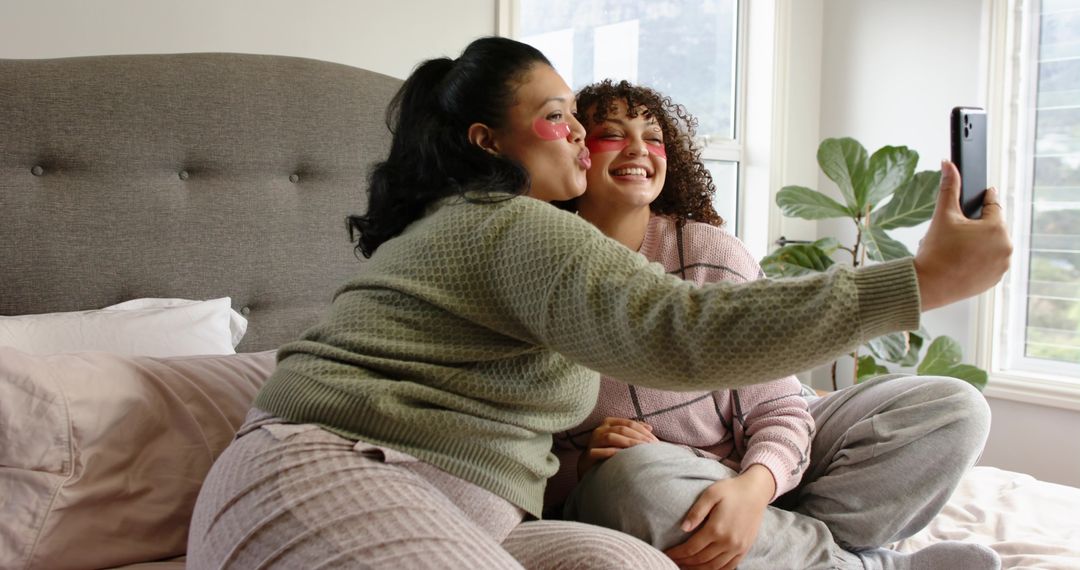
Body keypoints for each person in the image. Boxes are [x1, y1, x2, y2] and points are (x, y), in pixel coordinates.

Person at [186, 36, 1011, 570]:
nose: (582, 134)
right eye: (561, 119)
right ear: (489, 144)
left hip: (486, 515)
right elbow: (680, 332)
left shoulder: (532, 238)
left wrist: (752, 482)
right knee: (645, 491)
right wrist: (922, 281)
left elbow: (751, 391)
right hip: (333, 472)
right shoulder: (503, 225)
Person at [548, 80, 1003, 570]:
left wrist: (752, 488)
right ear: (576, 153)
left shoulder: (708, 251)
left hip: (758, 463)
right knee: (633, 480)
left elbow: (779, 406)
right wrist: (581, 466)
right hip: (659, 481)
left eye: (652, 136)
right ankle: (870, 564)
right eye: (612, 134)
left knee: (957, 407)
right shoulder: (537, 275)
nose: (639, 148)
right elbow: (524, 459)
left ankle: (788, 544)